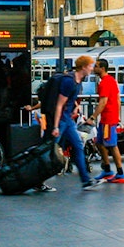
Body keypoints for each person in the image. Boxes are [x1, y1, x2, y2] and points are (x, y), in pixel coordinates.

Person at [49, 55, 104, 191]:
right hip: (62, 120)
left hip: (67, 120)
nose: (92, 69)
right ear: (84, 67)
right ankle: (37, 178)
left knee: (78, 146)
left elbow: (67, 100)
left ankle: (85, 180)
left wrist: (75, 106)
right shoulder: (69, 81)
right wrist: (55, 126)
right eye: (90, 66)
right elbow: (59, 104)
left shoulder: (78, 80)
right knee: (49, 149)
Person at [87, 59, 124, 184]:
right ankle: (108, 170)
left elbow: (103, 102)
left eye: (96, 66)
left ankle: (120, 173)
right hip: (109, 118)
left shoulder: (104, 83)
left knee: (112, 145)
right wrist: (118, 115)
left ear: (102, 68)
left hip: (108, 119)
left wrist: (92, 117)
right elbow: (118, 99)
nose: (94, 68)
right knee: (100, 143)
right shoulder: (112, 80)